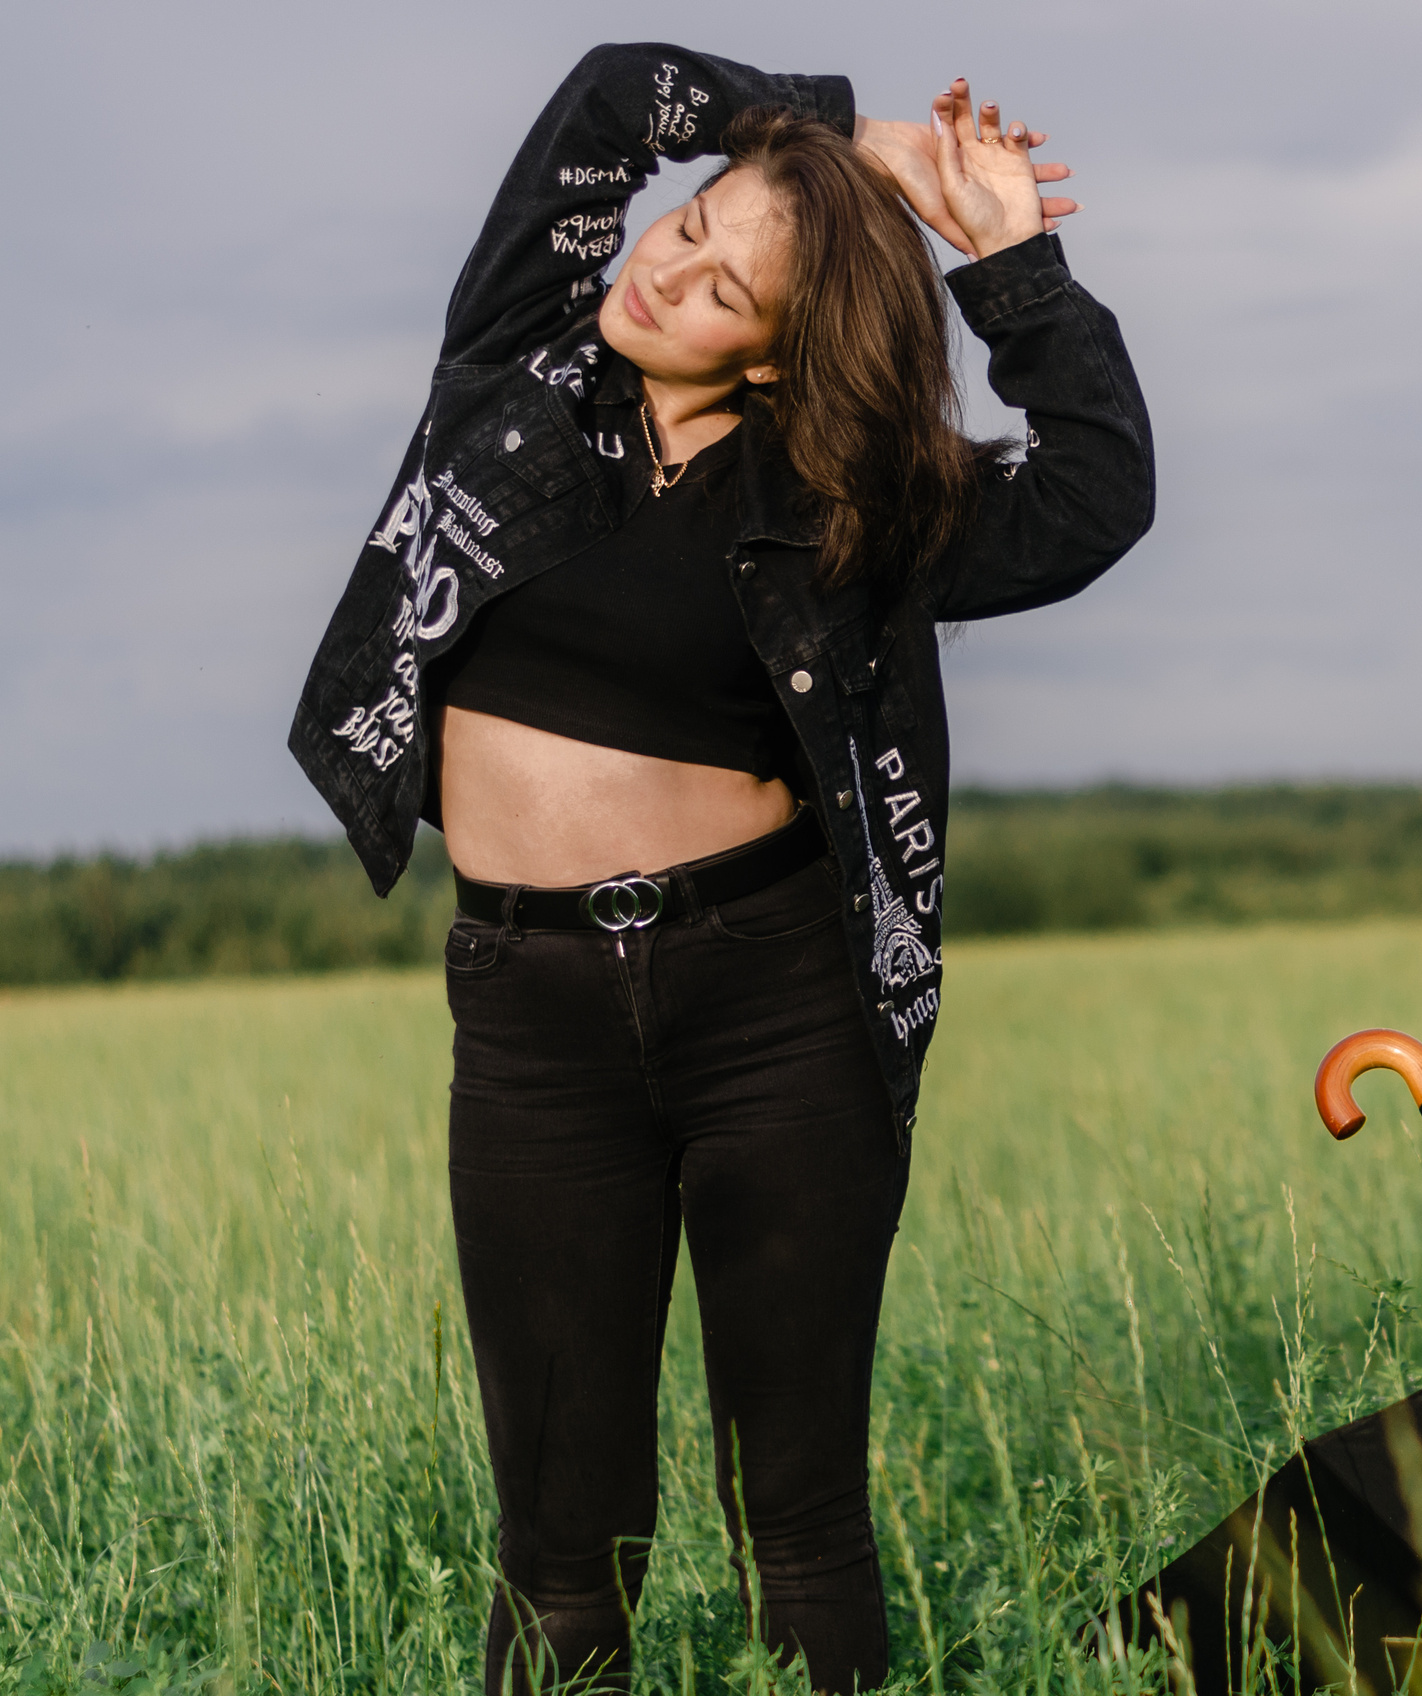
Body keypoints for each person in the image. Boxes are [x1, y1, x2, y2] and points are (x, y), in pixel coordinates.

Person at [285, 43, 1153, 1694]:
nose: (664, 272)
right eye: (685, 233)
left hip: (777, 1010)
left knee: (801, 1518)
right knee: (561, 1539)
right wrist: (842, 141)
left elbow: (1101, 488)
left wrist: (1012, 265)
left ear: (777, 353)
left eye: (719, 287)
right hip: (530, 1010)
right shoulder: (513, 374)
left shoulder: (848, 505)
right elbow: (614, 97)